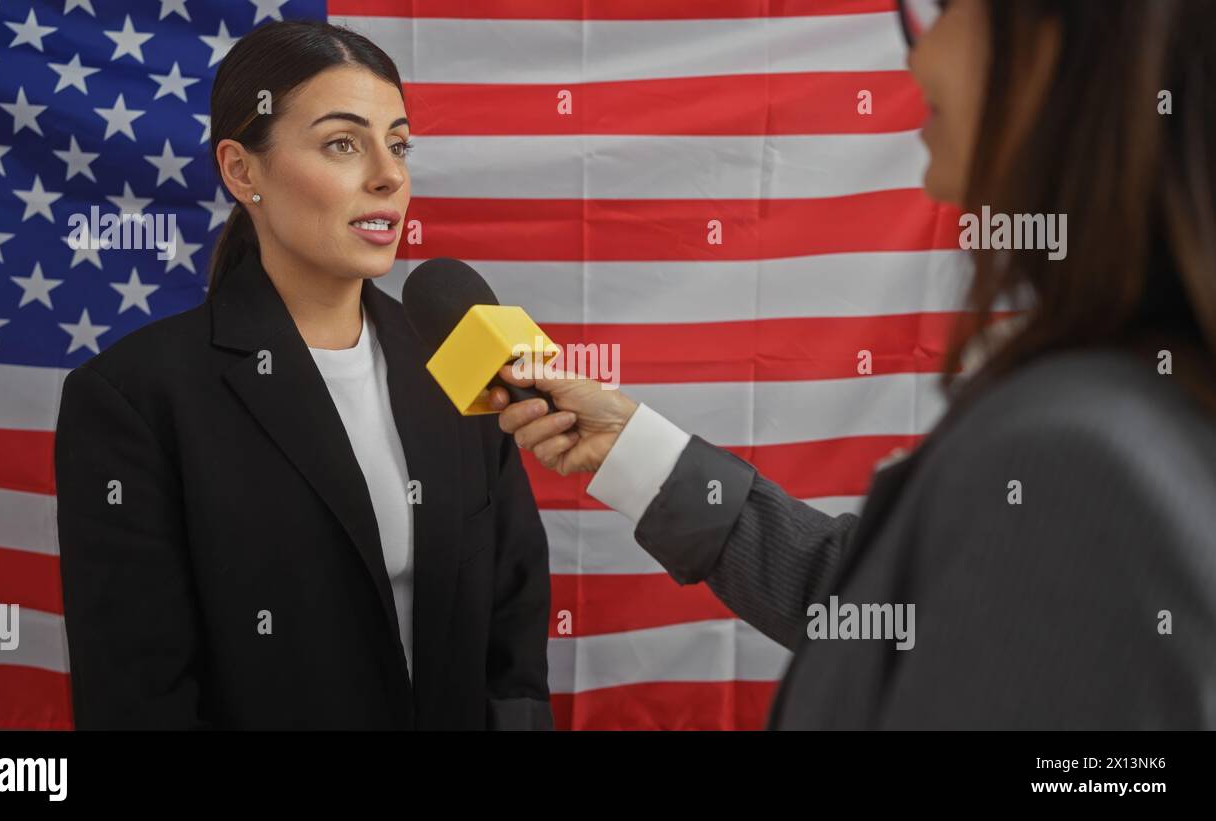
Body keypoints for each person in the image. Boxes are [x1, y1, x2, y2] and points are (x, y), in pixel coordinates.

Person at [493, 0, 1216, 728]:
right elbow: (885, 612)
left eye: (946, 9)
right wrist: (633, 447)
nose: (917, 56)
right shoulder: (1125, 413)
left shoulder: (1079, 459)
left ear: (1054, 55)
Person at [55, 21, 553, 730]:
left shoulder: (462, 354)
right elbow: (139, 695)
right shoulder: (132, 398)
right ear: (242, 171)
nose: (389, 174)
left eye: (400, 142)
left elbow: (515, 621)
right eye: (343, 143)